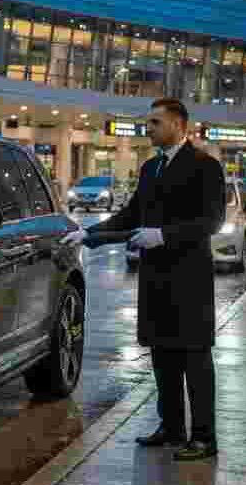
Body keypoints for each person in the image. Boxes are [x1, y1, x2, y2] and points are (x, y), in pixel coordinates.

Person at [61, 98, 226, 461]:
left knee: (194, 359)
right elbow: (131, 214)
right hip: (155, 277)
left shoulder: (205, 166)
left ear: (179, 126)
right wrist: (89, 234)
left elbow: (211, 221)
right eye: (147, 122)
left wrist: (164, 235)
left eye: (155, 123)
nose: (147, 129)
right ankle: (171, 427)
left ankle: (203, 437)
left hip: (189, 278)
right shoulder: (151, 168)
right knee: (162, 355)